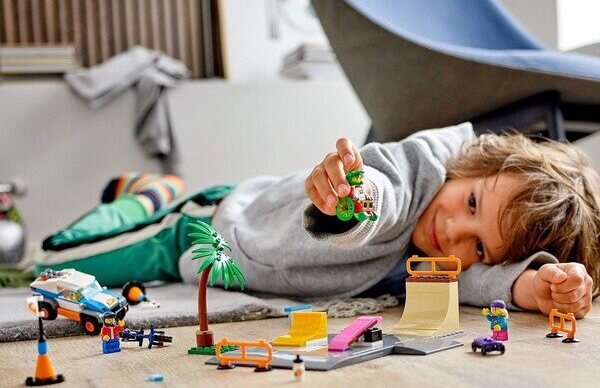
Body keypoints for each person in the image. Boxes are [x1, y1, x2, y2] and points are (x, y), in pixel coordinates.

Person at [180, 122, 600, 317]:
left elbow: (475, 283)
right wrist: (359, 198)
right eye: (472, 203)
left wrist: (534, 286)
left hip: (241, 270)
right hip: (219, 223)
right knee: (136, 247)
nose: (452, 230)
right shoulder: (423, 166)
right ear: (475, 165)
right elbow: (387, 187)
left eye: (478, 247)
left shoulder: (448, 266)